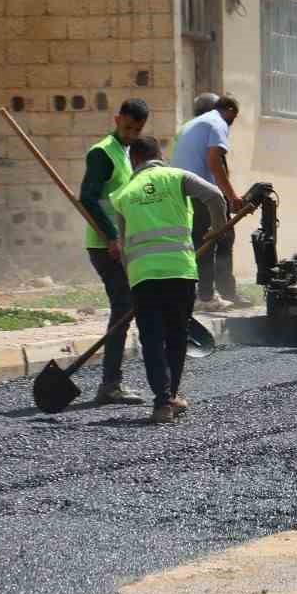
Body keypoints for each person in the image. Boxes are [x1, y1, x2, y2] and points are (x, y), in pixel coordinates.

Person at [109, 136, 227, 424]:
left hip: (143, 277)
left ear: (134, 160)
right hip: (180, 271)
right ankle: (172, 393)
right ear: (159, 156)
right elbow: (215, 195)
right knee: (176, 335)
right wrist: (217, 229)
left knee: (151, 339)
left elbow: (124, 248)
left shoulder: (123, 195)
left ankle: (163, 403)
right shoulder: (176, 177)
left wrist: (133, 281)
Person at [77, 97, 150, 406]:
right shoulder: (102, 153)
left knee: (126, 307)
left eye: (137, 130)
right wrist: (111, 236)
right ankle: (110, 384)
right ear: (117, 119)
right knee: (123, 307)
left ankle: (111, 382)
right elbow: (88, 198)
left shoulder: (124, 151)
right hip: (105, 246)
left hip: (120, 245)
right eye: (128, 127)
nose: (131, 134)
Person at [171, 94, 242, 310]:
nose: (232, 122)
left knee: (200, 241)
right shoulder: (217, 123)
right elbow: (214, 163)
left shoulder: (190, 125)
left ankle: (202, 293)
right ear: (229, 110)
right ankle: (208, 296)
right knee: (217, 237)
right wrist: (232, 197)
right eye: (234, 117)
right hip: (200, 191)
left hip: (180, 190)